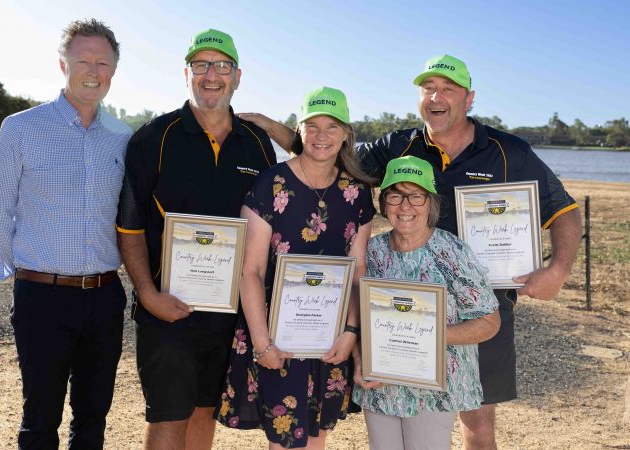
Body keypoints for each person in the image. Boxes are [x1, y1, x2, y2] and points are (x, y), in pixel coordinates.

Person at [241, 54, 583, 449]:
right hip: (403, 304)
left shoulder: (509, 151)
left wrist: (557, 269)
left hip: (479, 300)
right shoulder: (398, 145)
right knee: (399, 412)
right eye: (428, 89)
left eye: (448, 89)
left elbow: (563, 209)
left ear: (468, 98)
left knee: (478, 424)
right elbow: (325, 151)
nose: (437, 97)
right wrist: (270, 127)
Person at [115, 29, 276, 450]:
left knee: (205, 412)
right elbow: (129, 225)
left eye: (221, 66)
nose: (211, 75)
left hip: (229, 311)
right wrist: (147, 295)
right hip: (169, 308)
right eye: (201, 65)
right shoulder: (154, 137)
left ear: (237, 76)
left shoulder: (257, 144)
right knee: (169, 416)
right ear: (186, 73)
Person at [0, 19, 131, 449]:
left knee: (93, 418)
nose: (93, 70)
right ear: (62, 64)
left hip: (104, 297)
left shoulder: (122, 138)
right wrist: (30, 268)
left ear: (114, 71)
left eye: (103, 62)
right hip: (42, 298)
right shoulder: (21, 128)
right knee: (40, 417)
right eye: (83, 60)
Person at [214, 87, 375, 449]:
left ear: (347, 133)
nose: (322, 135)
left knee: (317, 439)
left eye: (332, 126)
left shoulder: (358, 193)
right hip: (276, 334)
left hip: (331, 336)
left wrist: (351, 330)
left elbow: (358, 267)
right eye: (312, 125)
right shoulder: (271, 184)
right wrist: (261, 343)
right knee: (285, 441)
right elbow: (250, 270)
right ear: (298, 130)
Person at [352, 155, 500, 449]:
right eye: (395, 195)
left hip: (434, 388)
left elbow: (489, 322)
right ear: (384, 203)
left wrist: (427, 337)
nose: (405, 206)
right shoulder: (372, 251)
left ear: (431, 203)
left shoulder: (453, 253)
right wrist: (359, 360)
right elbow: (358, 312)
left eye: (416, 196)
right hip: (382, 384)